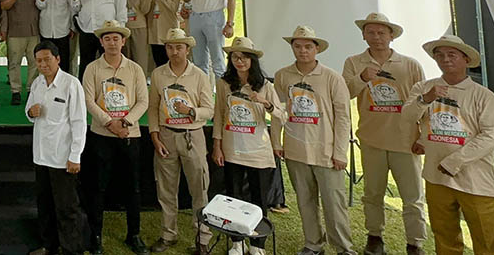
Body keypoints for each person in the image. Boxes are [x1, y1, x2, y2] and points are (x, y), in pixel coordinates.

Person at [404, 33, 494, 255]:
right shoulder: (424, 88)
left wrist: (454, 161)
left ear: (466, 59)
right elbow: (408, 117)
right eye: (439, 55)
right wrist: (425, 99)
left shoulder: (483, 96)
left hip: (476, 181)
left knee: (487, 240)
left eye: (452, 54)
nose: (445, 59)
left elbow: (491, 137)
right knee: (444, 236)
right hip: (436, 177)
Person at [342, 12, 426, 255]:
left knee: (413, 197)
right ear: (363, 35)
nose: (376, 37)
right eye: (371, 32)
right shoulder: (353, 62)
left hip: (406, 141)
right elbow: (344, 93)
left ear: (392, 36)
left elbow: (423, 103)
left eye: (381, 32)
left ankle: (415, 243)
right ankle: (374, 237)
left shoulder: (410, 64)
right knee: (373, 194)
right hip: (372, 140)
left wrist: (422, 137)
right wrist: (361, 78)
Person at [273, 26, 354, 255]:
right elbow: (278, 111)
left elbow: (343, 117)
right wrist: (276, 142)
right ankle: (313, 244)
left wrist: (340, 152)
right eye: (298, 46)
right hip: (295, 149)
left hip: (326, 151)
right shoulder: (282, 75)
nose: (303, 51)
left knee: (334, 204)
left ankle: (343, 248)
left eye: (308, 46)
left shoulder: (332, 77)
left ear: (317, 49)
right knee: (305, 201)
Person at [81, 21, 149, 255]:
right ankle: (95, 236)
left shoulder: (135, 69)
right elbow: (88, 100)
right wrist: (109, 123)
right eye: (107, 39)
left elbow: (143, 101)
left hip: (130, 135)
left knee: (133, 187)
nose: (112, 43)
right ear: (101, 42)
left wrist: (126, 123)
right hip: (101, 135)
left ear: (123, 41)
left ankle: (134, 235)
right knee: (97, 187)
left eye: (116, 39)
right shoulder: (92, 69)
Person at [211, 37, 283, 255]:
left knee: (259, 199)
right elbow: (219, 115)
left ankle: (257, 244)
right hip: (232, 150)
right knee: (233, 199)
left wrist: (266, 103)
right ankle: (237, 242)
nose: (239, 61)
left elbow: (281, 115)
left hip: (258, 151)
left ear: (253, 60)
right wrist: (217, 146)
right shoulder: (223, 84)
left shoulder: (265, 85)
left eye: (244, 57)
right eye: (235, 57)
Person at [147, 28, 214, 254]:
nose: (174, 51)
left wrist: (191, 111)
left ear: (188, 49)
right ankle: (168, 234)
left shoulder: (200, 75)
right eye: (170, 47)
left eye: (179, 47)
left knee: (199, 188)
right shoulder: (158, 74)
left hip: (192, 135)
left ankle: (202, 237)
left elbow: (209, 109)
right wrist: (155, 136)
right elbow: (153, 107)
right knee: (166, 188)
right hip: (166, 135)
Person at [26, 40, 87, 255]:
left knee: (67, 208)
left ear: (58, 59)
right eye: (39, 61)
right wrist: (31, 112)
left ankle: (72, 250)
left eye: (47, 59)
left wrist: (75, 155)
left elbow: (79, 122)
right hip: (40, 156)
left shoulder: (71, 84)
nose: (43, 64)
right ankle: (48, 246)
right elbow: (29, 111)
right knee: (45, 206)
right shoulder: (37, 83)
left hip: (62, 158)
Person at [73, 0, 127, 79]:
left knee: (109, 61)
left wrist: (121, 28)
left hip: (107, 29)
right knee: (86, 64)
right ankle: (85, 90)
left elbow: (121, 3)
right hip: (86, 29)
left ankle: (112, 87)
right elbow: (76, 8)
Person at [1, 0, 40, 105]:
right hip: (15, 31)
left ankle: (31, 89)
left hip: (34, 30)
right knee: (14, 63)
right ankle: (15, 91)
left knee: (34, 63)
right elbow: (4, 6)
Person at [35, 0, 75, 76]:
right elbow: (39, 6)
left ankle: (64, 86)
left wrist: (72, 27)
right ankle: (47, 85)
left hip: (63, 29)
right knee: (46, 62)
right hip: (46, 29)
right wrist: (41, 0)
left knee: (63, 62)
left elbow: (72, 6)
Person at [146, 0, 181, 69]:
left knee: (170, 63)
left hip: (168, 30)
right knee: (158, 63)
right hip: (154, 32)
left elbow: (174, 8)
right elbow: (146, 10)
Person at [119, 0, 152, 70]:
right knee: (125, 58)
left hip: (139, 26)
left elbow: (145, 9)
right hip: (123, 26)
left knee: (140, 57)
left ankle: (141, 78)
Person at [61, 0, 80, 75]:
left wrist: (72, 27)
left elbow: (75, 9)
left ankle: (73, 77)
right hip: (61, 26)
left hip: (75, 26)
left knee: (73, 55)